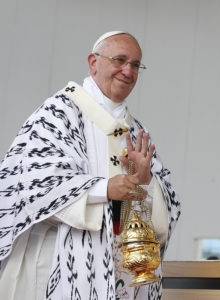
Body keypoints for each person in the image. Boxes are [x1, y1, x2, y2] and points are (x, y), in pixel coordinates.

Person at [0, 31, 181, 300]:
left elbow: (168, 207)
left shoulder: (136, 130)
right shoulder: (59, 113)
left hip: (121, 268)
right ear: (93, 62)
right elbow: (30, 183)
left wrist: (146, 182)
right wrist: (105, 189)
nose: (127, 71)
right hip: (60, 263)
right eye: (120, 60)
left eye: (135, 65)